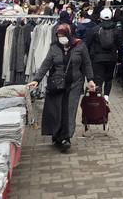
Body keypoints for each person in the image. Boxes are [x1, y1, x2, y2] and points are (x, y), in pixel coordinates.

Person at [27, 24, 95, 153]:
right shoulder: (54, 47)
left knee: (69, 110)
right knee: (56, 109)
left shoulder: (80, 46)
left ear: (69, 35)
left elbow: (86, 63)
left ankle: (66, 138)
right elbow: (46, 64)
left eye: (63, 36)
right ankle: (56, 134)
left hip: (75, 84)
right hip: (57, 84)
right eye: (59, 36)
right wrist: (37, 79)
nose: (61, 38)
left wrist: (90, 79)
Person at [87, 7, 123, 102]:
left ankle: (98, 97)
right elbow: (120, 46)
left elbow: (88, 44)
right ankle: (106, 97)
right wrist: (120, 59)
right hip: (111, 58)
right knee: (109, 78)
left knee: (98, 78)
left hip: (97, 58)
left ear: (100, 17)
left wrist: (88, 58)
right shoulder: (116, 30)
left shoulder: (95, 29)